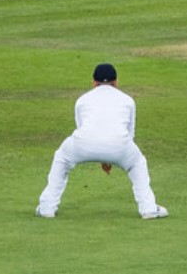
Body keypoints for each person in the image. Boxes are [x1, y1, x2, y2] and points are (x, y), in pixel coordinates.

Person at [35, 64, 168, 221]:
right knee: (137, 162)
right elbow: (128, 133)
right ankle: (149, 209)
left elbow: (84, 129)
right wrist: (112, 157)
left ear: (93, 82)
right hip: (120, 146)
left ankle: (46, 208)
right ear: (116, 82)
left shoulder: (82, 100)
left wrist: (102, 155)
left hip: (83, 143)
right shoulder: (128, 100)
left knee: (62, 158)